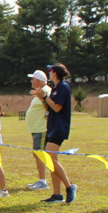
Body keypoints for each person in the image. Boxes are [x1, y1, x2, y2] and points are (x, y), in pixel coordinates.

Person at [35, 64, 77, 204]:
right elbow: (49, 108)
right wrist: (42, 99)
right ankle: (57, 194)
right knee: (51, 160)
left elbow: (58, 108)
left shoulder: (63, 87)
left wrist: (45, 96)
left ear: (55, 73)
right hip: (52, 126)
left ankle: (69, 186)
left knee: (51, 158)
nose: (49, 73)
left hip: (59, 127)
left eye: (50, 70)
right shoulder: (55, 88)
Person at [26, 69, 51, 190]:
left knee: (39, 153)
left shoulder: (45, 91)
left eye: (33, 79)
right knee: (37, 153)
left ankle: (43, 181)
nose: (31, 81)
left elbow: (49, 108)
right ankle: (41, 180)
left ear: (38, 81)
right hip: (37, 128)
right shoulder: (40, 91)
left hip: (41, 128)